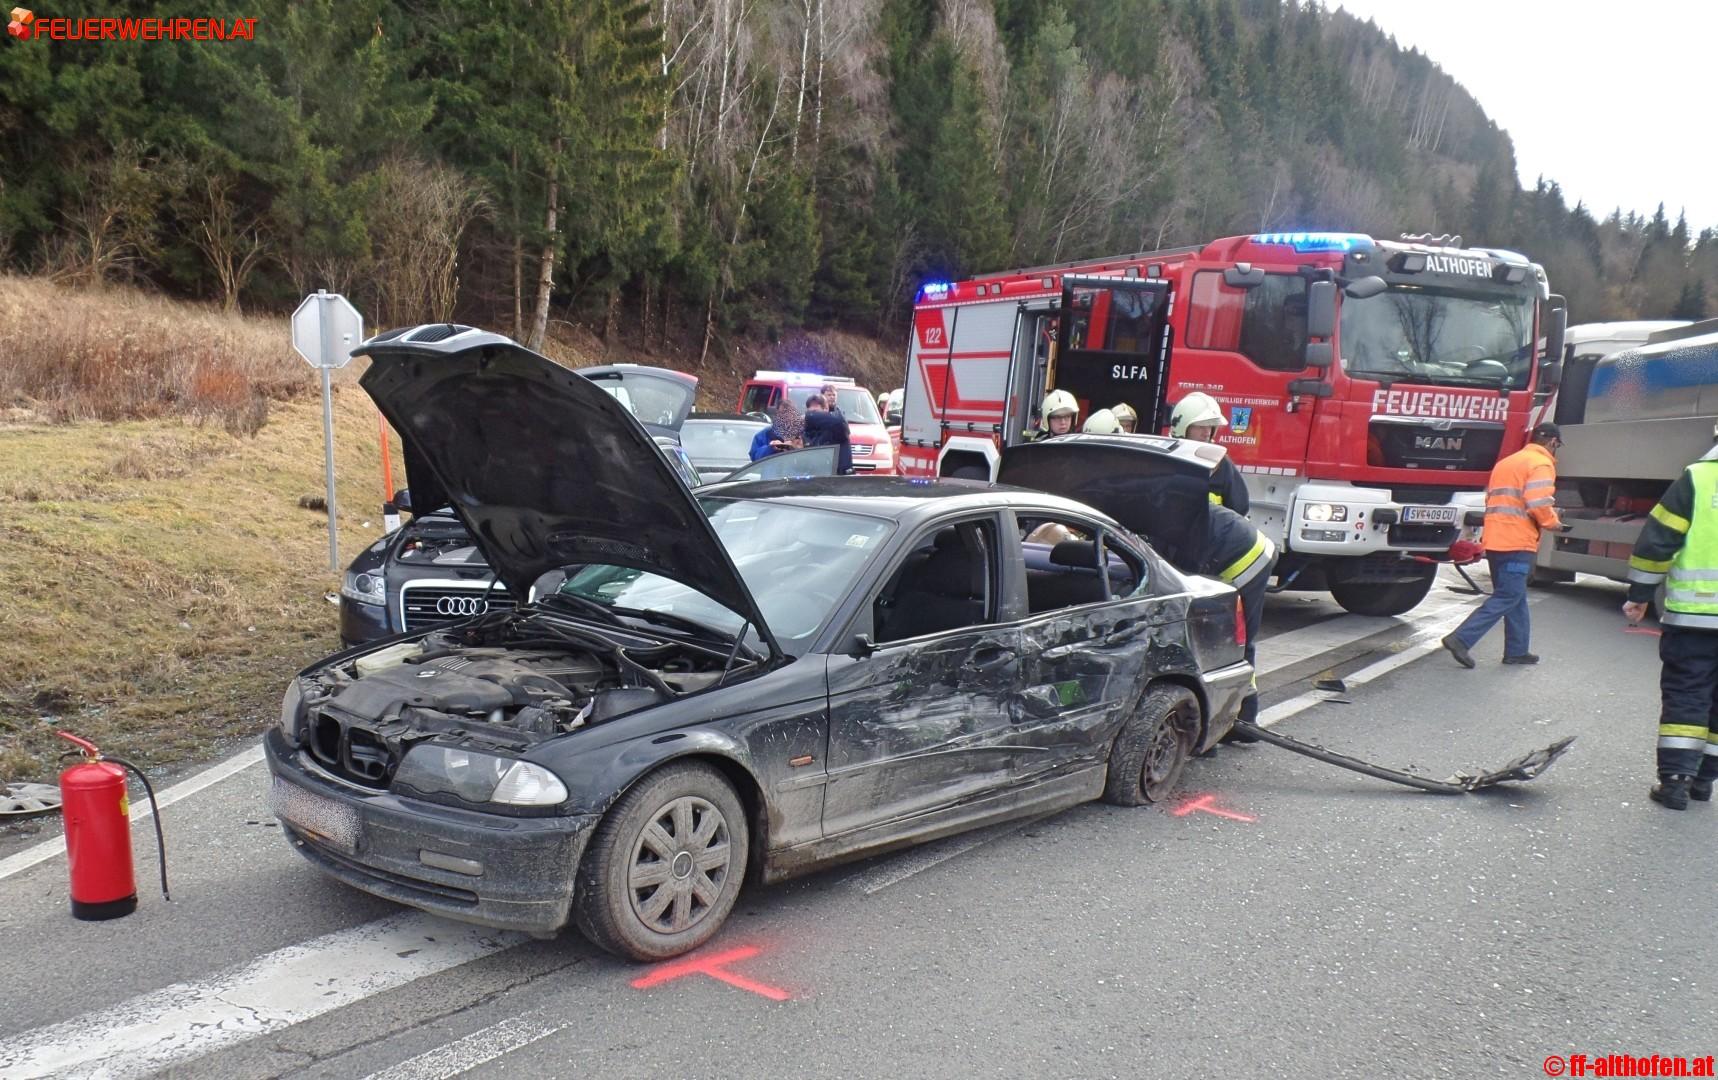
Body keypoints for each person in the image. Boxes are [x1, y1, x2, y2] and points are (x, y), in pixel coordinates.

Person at [1621, 423, 1718, 810]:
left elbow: (1657, 542)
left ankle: (1676, 781)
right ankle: (1705, 781)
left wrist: (1640, 595)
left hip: (1695, 616)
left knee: (1688, 693)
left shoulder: (1697, 479)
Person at [1149, 486, 1276, 738]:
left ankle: (1243, 721)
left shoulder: (1154, 524)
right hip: (1230, 547)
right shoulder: (1157, 513)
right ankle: (1230, 721)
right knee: (1216, 637)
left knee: (1231, 640)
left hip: (1244, 557)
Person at [1442, 422, 1564, 668]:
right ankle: (1461, 638)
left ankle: (1517, 650)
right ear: (1551, 441)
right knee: (1509, 594)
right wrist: (1553, 523)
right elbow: (1538, 501)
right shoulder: (1540, 463)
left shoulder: (1507, 463)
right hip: (1518, 540)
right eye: (1557, 444)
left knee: (1515, 596)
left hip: (1497, 539)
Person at [1168, 391, 1249, 514]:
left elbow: (1239, 508)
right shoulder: (1165, 458)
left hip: (1210, 532)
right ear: (1183, 427)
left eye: (1210, 426)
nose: (1206, 432)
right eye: (1201, 426)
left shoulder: (1220, 462)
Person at [802, 393, 854, 474]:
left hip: (839, 478)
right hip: (818, 477)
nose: (812, 416)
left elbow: (840, 423)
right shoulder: (807, 431)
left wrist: (808, 416)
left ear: (826, 409)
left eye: (815, 412)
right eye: (810, 412)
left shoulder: (837, 426)